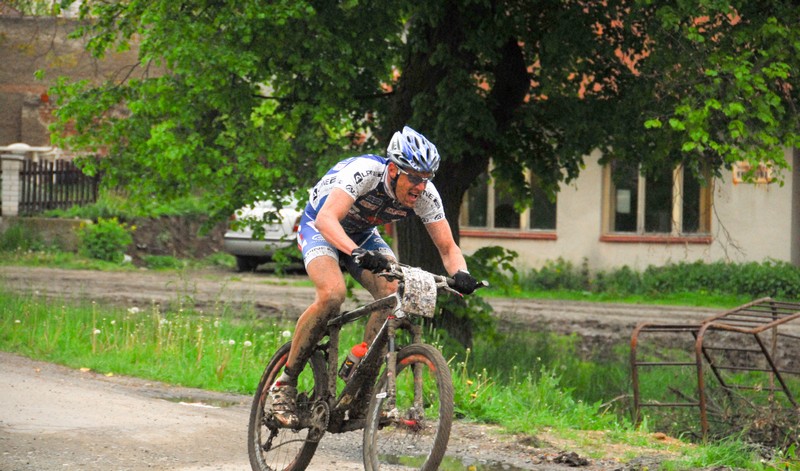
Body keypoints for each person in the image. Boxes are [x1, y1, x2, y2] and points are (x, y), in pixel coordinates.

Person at [267, 125, 480, 427]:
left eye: (426, 179)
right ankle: (285, 384)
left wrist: (462, 274)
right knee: (332, 295)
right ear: (393, 170)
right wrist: (355, 252)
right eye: (414, 178)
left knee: (394, 294)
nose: (420, 186)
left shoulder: (426, 196)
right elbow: (327, 219)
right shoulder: (364, 172)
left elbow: (447, 247)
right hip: (321, 226)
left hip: (363, 234)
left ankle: (361, 384)